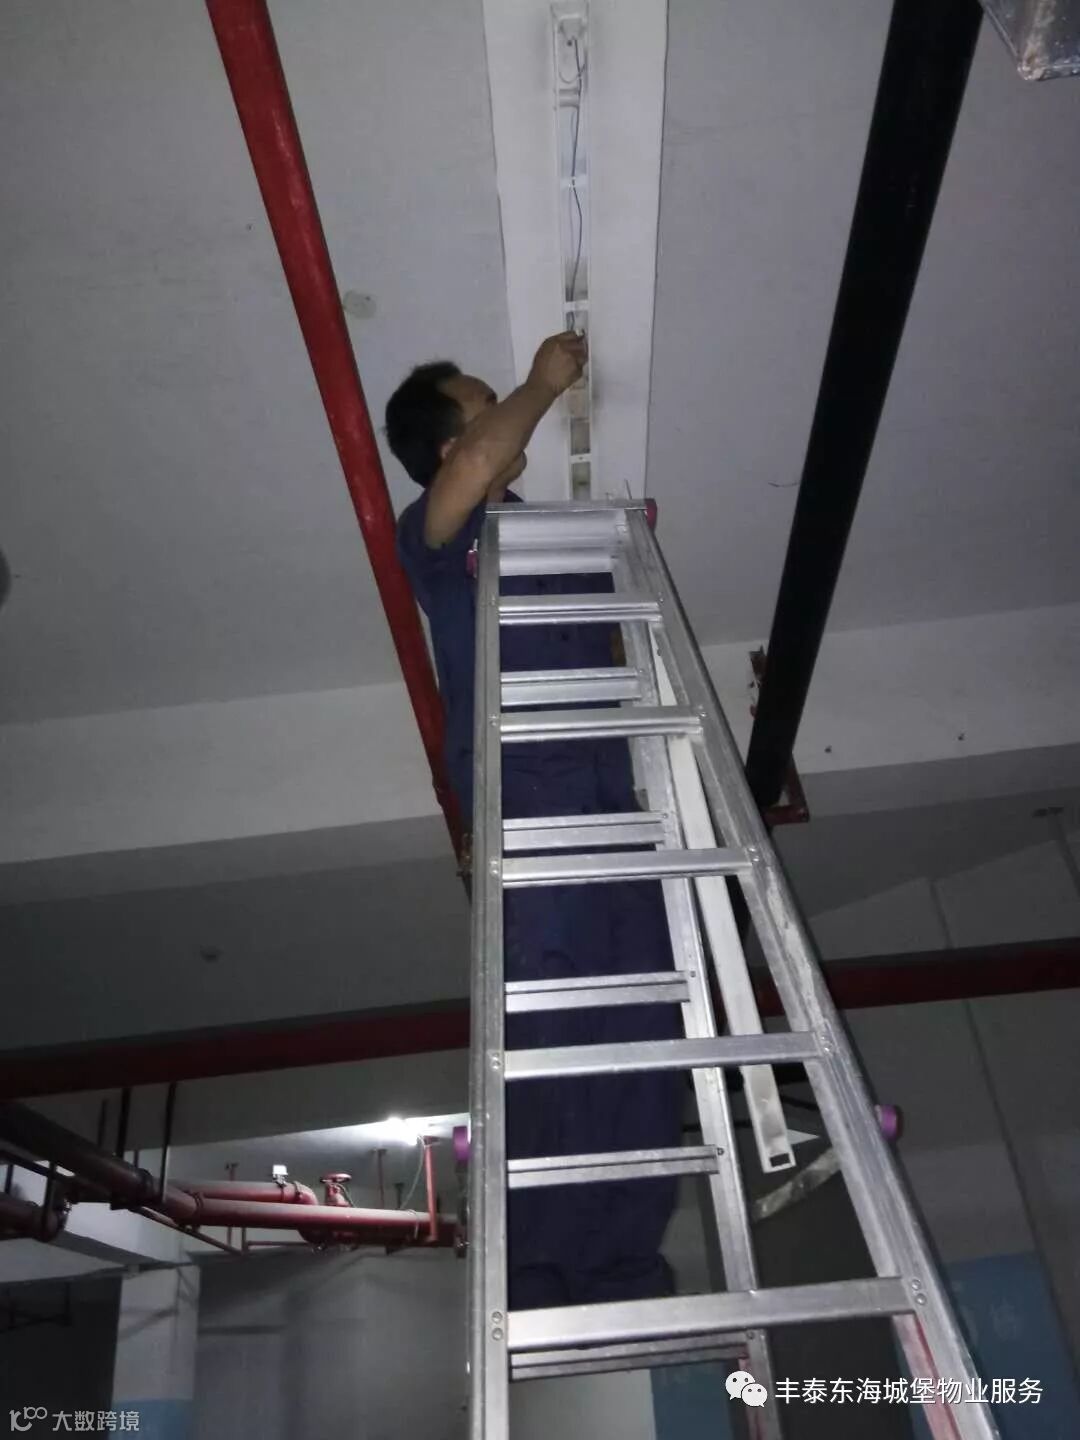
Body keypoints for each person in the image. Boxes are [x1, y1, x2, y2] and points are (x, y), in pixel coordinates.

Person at [389, 332, 683, 1311]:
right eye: (483, 404)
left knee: (641, 1027)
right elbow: (480, 462)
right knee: (552, 1024)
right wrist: (542, 383)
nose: (502, 419)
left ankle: (625, 1265)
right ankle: (545, 1270)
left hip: (608, 807)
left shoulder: (554, 543)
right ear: (446, 446)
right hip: (528, 801)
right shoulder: (438, 536)